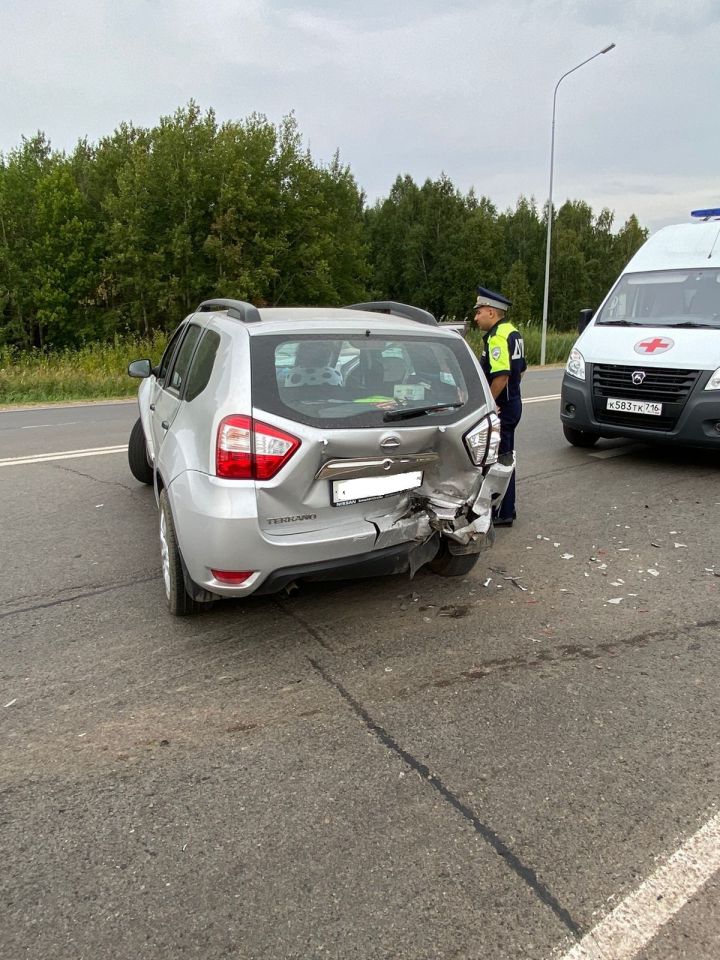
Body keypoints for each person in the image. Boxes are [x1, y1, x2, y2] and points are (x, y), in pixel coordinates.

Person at [472, 285, 526, 527]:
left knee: (499, 461)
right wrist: (511, 394)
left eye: (479, 312)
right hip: (513, 403)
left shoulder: (497, 337)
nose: (476, 317)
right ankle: (506, 509)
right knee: (505, 457)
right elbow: (521, 370)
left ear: (491, 312)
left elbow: (501, 375)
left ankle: (502, 512)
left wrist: (491, 405)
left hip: (502, 407)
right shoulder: (513, 332)